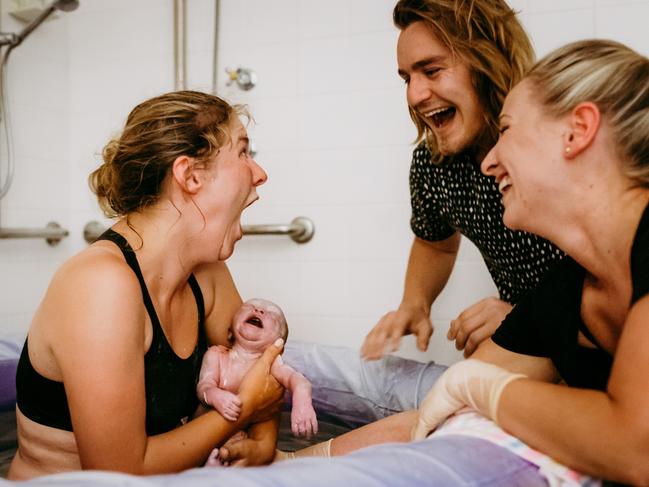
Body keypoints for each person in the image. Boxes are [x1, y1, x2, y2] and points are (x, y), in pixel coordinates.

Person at [280, 38, 649, 486]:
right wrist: (295, 463)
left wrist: (481, 387)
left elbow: (635, 447)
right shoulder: (560, 295)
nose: (491, 163)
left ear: (578, 131)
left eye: (508, 130)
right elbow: (434, 409)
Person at [279, 0, 562, 438]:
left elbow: (611, 282)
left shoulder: (560, 154)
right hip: (524, 352)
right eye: (407, 78)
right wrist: (415, 303)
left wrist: (530, 320)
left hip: (572, 368)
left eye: (432, 70)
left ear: (487, 60)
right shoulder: (436, 162)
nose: (414, 95)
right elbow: (435, 240)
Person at [8, 90, 285, 479]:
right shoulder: (100, 286)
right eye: (243, 152)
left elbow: (261, 374)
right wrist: (246, 411)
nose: (259, 173)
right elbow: (118, 472)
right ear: (190, 176)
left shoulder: (207, 274)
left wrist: (262, 440)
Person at [197, 298, 317, 466]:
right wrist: (214, 395)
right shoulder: (216, 355)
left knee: (241, 448)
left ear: (278, 344)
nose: (259, 311)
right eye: (249, 307)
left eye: (272, 314)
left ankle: (220, 463)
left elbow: (296, 379)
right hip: (206, 432)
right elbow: (204, 385)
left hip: (241, 438)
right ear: (230, 331)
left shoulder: (272, 364)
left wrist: (302, 400)